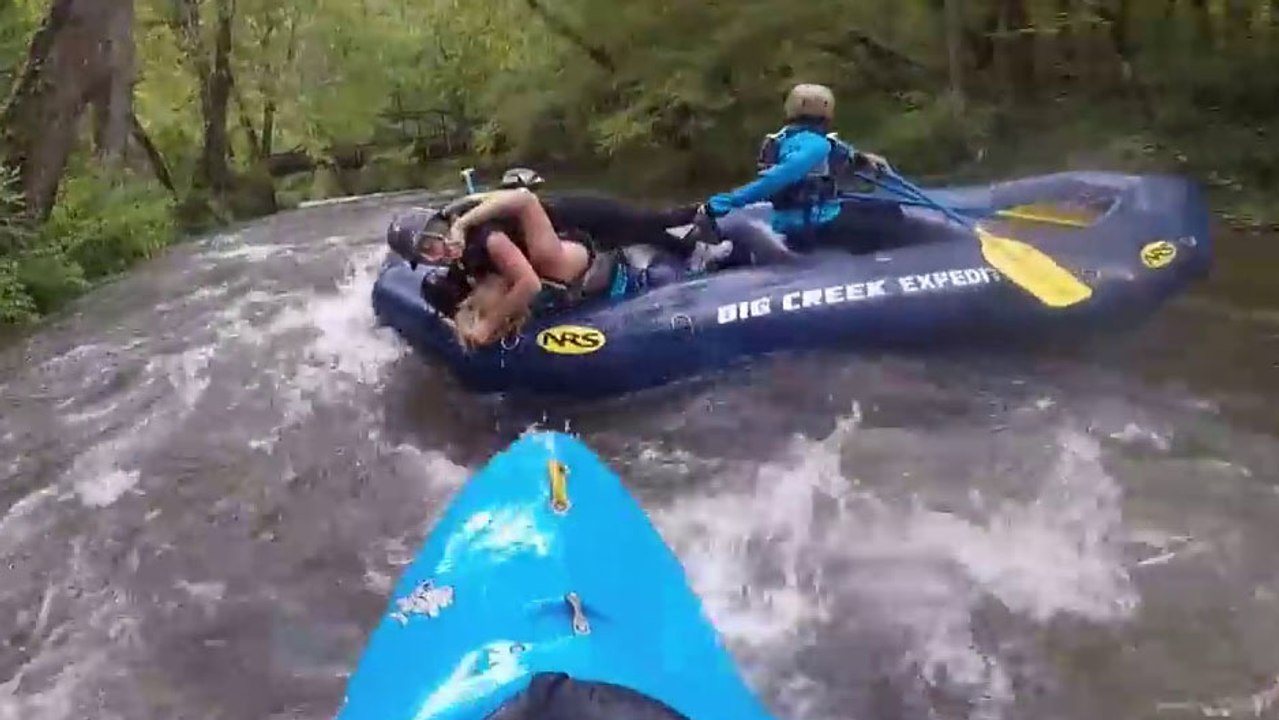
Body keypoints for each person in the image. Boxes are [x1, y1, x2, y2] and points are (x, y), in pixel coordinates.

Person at [701, 83, 896, 255]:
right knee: (891, 217)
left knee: (881, 210)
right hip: (813, 225)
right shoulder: (815, 145)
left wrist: (862, 158)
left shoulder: (788, 138)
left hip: (792, 220)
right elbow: (777, 179)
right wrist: (725, 203)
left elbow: (838, 152)